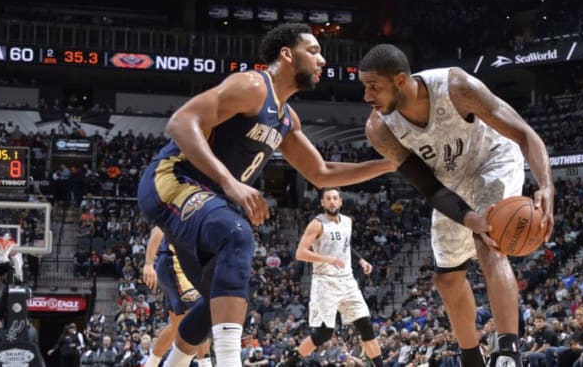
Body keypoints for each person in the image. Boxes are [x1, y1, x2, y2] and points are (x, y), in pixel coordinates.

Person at [137, 23, 394, 367]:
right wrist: (231, 184)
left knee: (221, 291)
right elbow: (181, 123)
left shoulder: (287, 118)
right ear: (287, 54)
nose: (323, 61)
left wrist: (390, 164)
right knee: (238, 235)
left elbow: (322, 173)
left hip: (205, 200)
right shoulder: (253, 85)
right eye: (314, 51)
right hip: (170, 179)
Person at [358, 44, 554, 367]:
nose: (367, 97)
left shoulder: (455, 87)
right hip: (450, 182)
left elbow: (524, 133)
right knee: (446, 279)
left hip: (493, 158)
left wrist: (545, 184)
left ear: (401, 80)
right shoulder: (379, 130)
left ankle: (508, 353)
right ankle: (471, 359)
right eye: (365, 87)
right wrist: (467, 216)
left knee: (489, 240)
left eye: (374, 87)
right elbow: (429, 187)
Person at [283, 187, 384, 367]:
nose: (332, 201)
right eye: (328, 198)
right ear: (322, 202)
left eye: (335, 198)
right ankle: (289, 363)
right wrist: (327, 259)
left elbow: (344, 245)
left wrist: (361, 260)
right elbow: (300, 253)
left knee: (366, 326)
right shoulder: (317, 224)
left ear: (341, 201)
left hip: (347, 280)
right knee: (324, 333)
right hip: (325, 281)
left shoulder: (347, 221)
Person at [141, 226, 212, 367]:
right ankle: (205, 363)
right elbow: (157, 230)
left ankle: (151, 364)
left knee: (177, 325)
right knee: (200, 314)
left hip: (183, 266)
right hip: (174, 264)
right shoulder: (179, 206)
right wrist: (148, 264)